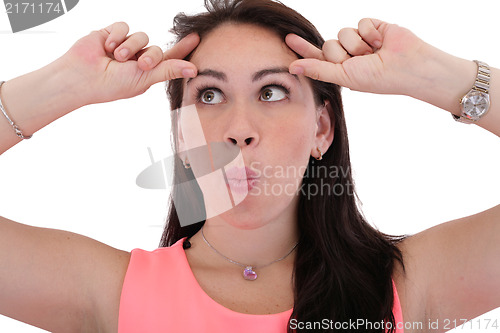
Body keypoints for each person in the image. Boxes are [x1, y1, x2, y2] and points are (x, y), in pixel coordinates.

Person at [0, 0, 498, 332]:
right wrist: (60, 86)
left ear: (322, 130)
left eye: (271, 91)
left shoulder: (407, 286)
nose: (240, 127)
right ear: (182, 132)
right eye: (210, 94)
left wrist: (440, 76)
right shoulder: (108, 292)